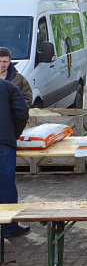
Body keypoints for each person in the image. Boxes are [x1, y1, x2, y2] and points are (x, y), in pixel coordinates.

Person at [1, 75, 31, 237]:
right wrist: (13, 135)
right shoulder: (9, 87)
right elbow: (22, 112)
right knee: (5, 186)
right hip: (4, 143)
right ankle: (8, 227)